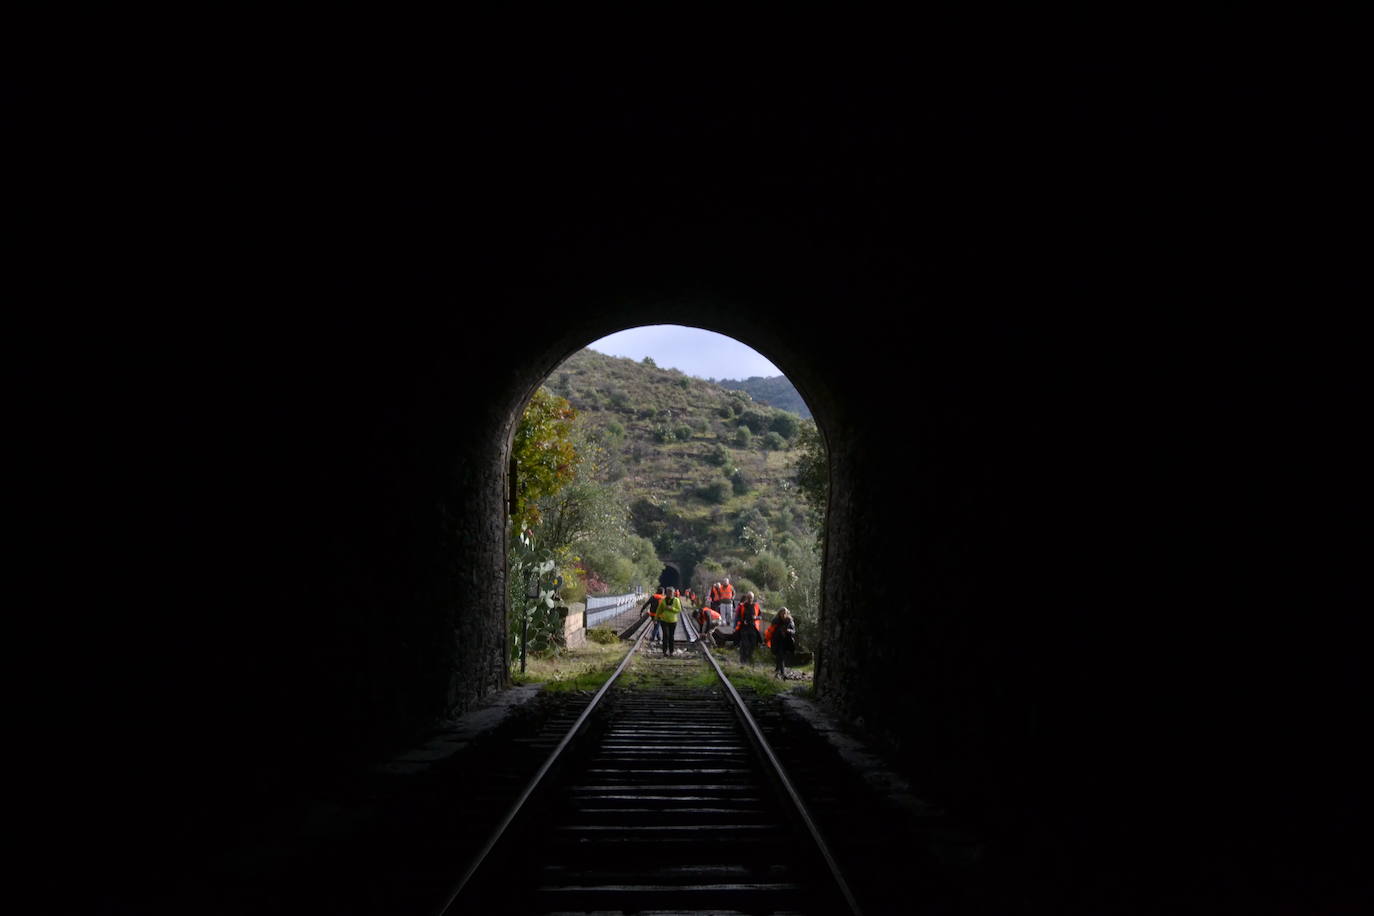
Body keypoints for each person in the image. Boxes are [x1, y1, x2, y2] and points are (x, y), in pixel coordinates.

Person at [766, 607, 797, 679]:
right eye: (782, 613)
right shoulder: (775, 621)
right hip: (776, 640)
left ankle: (781, 671)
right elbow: (771, 630)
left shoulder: (790, 621)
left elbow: (793, 631)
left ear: (787, 613)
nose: (783, 615)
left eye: (784, 613)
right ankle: (780, 670)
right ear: (779, 613)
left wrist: (788, 631)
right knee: (779, 655)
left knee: (781, 656)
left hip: (786, 641)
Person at [734, 591, 764, 664]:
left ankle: (750, 659)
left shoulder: (756, 606)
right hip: (744, 628)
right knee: (745, 644)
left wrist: (756, 617)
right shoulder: (741, 606)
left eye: (751, 598)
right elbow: (737, 617)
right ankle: (743, 660)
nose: (750, 599)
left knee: (753, 644)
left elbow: (760, 616)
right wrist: (743, 621)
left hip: (753, 628)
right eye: (748, 597)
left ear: (753, 598)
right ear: (746, 598)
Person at [656, 587, 682, 656]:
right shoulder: (663, 600)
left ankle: (671, 651)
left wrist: (672, 608)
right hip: (664, 620)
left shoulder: (676, 600)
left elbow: (679, 610)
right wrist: (656, 618)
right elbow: (659, 610)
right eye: (668, 592)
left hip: (673, 621)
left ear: (673, 593)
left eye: (671, 592)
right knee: (665, 635)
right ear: (666, 593)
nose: (669, 594)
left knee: (671, 636)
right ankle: (664, 651)